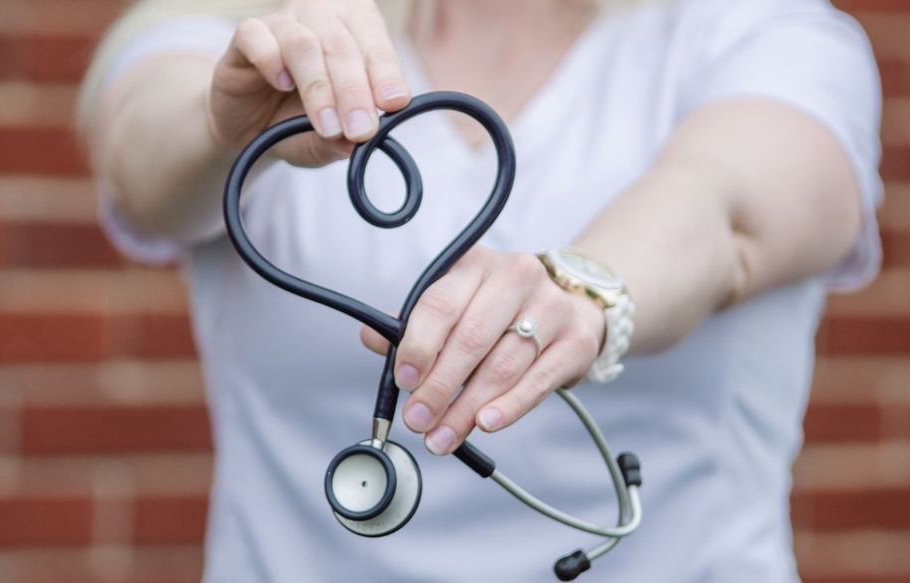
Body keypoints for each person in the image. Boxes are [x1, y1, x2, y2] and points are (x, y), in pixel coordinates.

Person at [78, 0, 883, 580]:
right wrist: (228, 124)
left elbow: (726, 210)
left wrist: (582, 291)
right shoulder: (259, 29)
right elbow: (140, 163)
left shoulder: (767, 36)